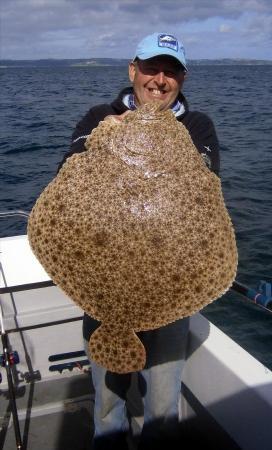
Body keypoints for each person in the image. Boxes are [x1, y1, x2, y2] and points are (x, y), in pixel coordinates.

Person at [58, 32, 220, 449]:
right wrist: (101, 139)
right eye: (152, 68)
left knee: (163, 407)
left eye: (171, 72)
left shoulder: (197, 125)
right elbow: (68, 173)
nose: (160, 80)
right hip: (103, 288)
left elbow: (205, 184)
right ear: (133, 70)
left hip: (168, 291)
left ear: (182, 79)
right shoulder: (99, 115)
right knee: (108, 405)